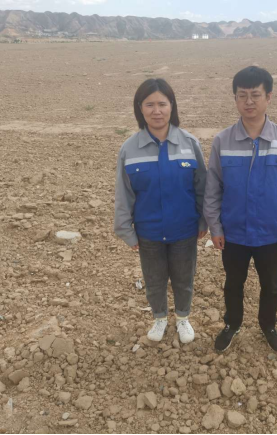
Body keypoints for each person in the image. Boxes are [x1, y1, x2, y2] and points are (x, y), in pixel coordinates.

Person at [204, 66, 277, 353]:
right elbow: (213, 188)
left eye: (255, 95)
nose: (249, 101)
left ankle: (268, 325)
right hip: (233, 232)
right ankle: (232, 324)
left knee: (271, 285)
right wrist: (215, 227)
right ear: (235, 99)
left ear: (268, 97)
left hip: (271, 234)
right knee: (233, 283)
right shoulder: (223, 141)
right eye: (242, 95)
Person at [115, 78, 208, 344]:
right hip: (149, 232)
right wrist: (126, 231)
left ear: (172, 106)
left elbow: (203, 187)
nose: (157, 111)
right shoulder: (129, 149)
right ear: (140, 108)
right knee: (154, 279)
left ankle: (182, 318)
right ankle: (159, 318)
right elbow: (124, 193)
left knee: (183, 278)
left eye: (162, 104)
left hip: (184, 229)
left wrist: (204, 220)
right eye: (149, 104)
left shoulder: (189, 144)